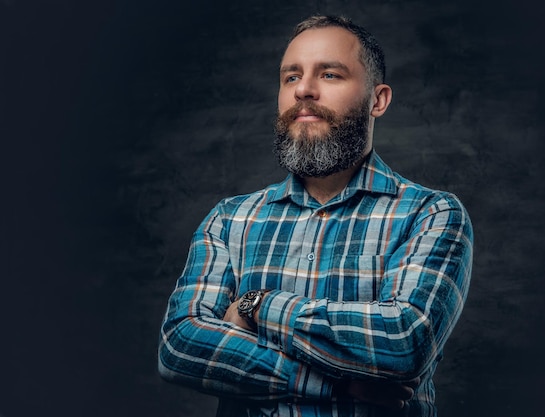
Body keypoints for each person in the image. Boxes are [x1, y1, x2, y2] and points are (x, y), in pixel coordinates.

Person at [158, 14, 473, 417]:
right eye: (291, 77)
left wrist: (255, 306)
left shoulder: (431, 215)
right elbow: (180, 346)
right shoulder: (229, 220)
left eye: (329, 74)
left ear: (377, 100)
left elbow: (402, 344)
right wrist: (328, 382)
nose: (304, 90)